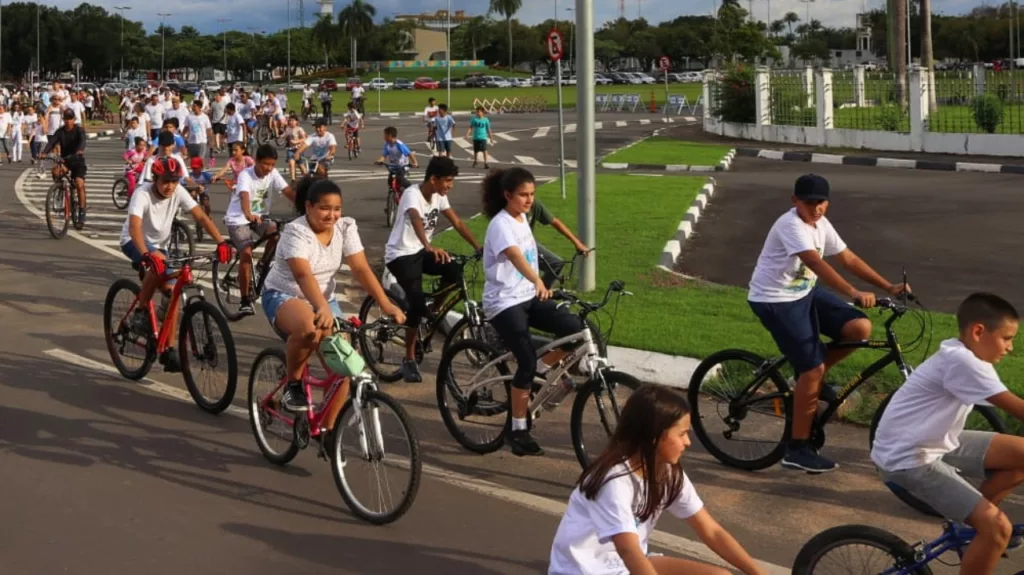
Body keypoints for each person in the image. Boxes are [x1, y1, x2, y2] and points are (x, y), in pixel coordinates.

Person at [747, 173, 908, 473]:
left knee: (859, 329)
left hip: (804, 292)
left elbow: (847, 258)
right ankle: (796, 449)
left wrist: (889, 287)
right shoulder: (790, 225)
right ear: (795, 201)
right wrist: (853, 292)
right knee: (813, 368)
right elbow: (816, 263)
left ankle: (808, 381)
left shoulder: (820, 223)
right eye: (809, 203)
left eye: (821, 202)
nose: (816, 208)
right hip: (774, 299)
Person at [872, 293, 1024, 575]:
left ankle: (972, 531)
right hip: (908, 458)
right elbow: (1018, 408)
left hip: (930, 441)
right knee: (997, 528)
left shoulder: (963, 354)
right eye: (1007, 338)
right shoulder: (963, 362)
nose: (1010, 347)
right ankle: (985, 532)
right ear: (978, 331)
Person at [550, 385, 770, 575]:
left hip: (624, 567)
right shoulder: (613, 482)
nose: (688, 442)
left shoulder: (668, 473)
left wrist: (756, 572)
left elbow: (711, 531)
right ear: (655, 436)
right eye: (682, 434)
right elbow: (628, 550)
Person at [261, 176, 406, 411]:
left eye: (336, 209)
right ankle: (293, 384)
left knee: (344, 368)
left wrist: (385, 303)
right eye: (324, 208)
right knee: (310, 328)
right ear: (309, 207)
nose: (331, 215)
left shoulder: (345, 227)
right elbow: (303, 275)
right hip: (285, 295)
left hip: (323, 300)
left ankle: (326, 436)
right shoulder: (296, 232)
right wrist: (321, 307)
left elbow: (360, 268)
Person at [481, 167, 585, 456]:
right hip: (504, 302)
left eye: (532, 194)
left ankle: (542, 368)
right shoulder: (500, 224)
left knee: (575, 329)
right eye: (523, 195)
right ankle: (517, 430)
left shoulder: (522, 218)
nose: (529, 200)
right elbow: (515, 256)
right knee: (524, 361)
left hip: (527, 296)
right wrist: (537, 280)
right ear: (507, 195)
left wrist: (541, 285)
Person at [119, 157, 231, 373]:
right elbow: (134, 228)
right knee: (157, 261)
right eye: (165, 181)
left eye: (174, 181)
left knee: (173, 293)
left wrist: (221, 242)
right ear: (155, 179)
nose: (170, 186)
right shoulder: (142, 193)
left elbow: (201, 217)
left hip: (160, 247)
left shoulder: (178, 191)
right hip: (134, 242)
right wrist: (145, 254)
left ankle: (169, 351)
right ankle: (140, 312)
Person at [384, 156, 481, 382]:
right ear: (433, 178)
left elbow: (456, 222)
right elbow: (416, 219)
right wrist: (429, 246)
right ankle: (408, 359)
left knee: (455, 270)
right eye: (447, 180)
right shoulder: (412, 195)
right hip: (401, 255)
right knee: (416, 306)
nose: (450, 185)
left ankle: (434, 309)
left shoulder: (439, 196)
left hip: (420, 252)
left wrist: (478, 246)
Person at [224, 144, 295, 316]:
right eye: (265, 164)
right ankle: (245, 300)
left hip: (260, 217)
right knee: (246, 253)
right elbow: (244, 195)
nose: (269, 168)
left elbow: (287, 191)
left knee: (276, 234)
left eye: (272, 164)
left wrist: (306, 208)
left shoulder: (273, 174)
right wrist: (248, 213)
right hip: (238, 218)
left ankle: (262, 264)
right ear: (256, 161)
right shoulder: (245, 175)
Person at [527, 198, 589, 288]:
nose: (529, 198)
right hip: (510, 248)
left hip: (528, 243)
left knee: (556, 263)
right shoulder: (505, 212)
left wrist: (577, 243)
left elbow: (554, 221)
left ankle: (540, 295)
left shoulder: (533, 204)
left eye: (531, 194)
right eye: (523, 194)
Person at [42, 108, 89, 223]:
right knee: (55, 172)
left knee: (79, 184)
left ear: (74, 119)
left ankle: (82, 210)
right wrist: (44, 152)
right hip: (65, 161)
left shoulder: (79, 130)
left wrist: (80, 150)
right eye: (66, 119)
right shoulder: (60, 131)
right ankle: (59, 190)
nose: (68, 121)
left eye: (70, 118)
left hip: (77, 160)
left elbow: (83, 141)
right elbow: (52, 142)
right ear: (63, 119)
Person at [375, 126, 418, 191]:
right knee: (390, 181)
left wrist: (415, 163)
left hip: (402, 166)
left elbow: (410, 154)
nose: (383, 137)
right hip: (393, 166)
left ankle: (410, 187)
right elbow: (384, 156)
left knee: (400, 179)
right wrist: (379, 161)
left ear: (389, 135)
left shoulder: (399, 144)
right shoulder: (387, 144)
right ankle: (393, 194)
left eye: (385, 135)